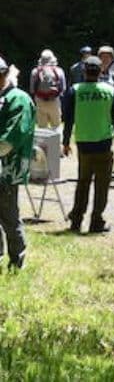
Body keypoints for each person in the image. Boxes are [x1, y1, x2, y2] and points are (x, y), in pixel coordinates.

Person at [61, 55, 114, 233]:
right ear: (101, 71)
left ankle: (76, 220)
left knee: (82, 183)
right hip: (104, 143)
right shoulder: (109, 90)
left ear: (84, 71)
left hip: (83, 142)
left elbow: (68, 119)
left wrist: (66, 142)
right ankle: (96, 221)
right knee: (102, 185)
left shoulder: (75, 90)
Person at [0, 57, 36, 269]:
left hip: (8, 168)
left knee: (9, 217)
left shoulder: (18, 99)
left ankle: (16, 262)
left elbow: (12, 137)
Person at [29, 48, 66, 130]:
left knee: (42, 127)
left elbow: (32, 90)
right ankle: (56, 142)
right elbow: (63, 89)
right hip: (54, 101)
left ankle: (43, 143)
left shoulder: (35, 71)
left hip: (40, 101)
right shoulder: (59, 71)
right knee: (56, 126)